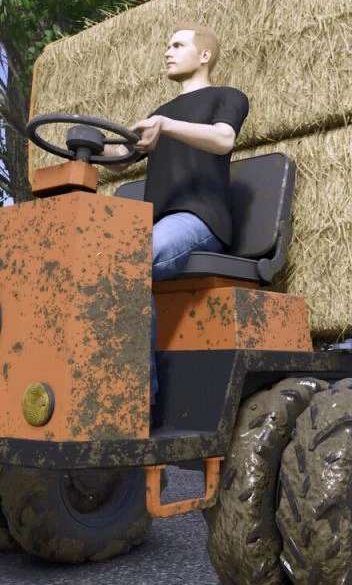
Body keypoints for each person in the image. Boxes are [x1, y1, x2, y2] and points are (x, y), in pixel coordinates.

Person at [101, 24, 250, 408]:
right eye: (167, 45)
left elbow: (223, 139)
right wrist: (94, 145)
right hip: (157, 224)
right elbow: (124, 157)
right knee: (98, 263)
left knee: (133, 261)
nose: (167, 52)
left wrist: (165, 127)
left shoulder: (228, 97)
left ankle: (138, 404)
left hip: (199, 220)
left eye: (178, 45)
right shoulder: (159, 114)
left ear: (204, 55)